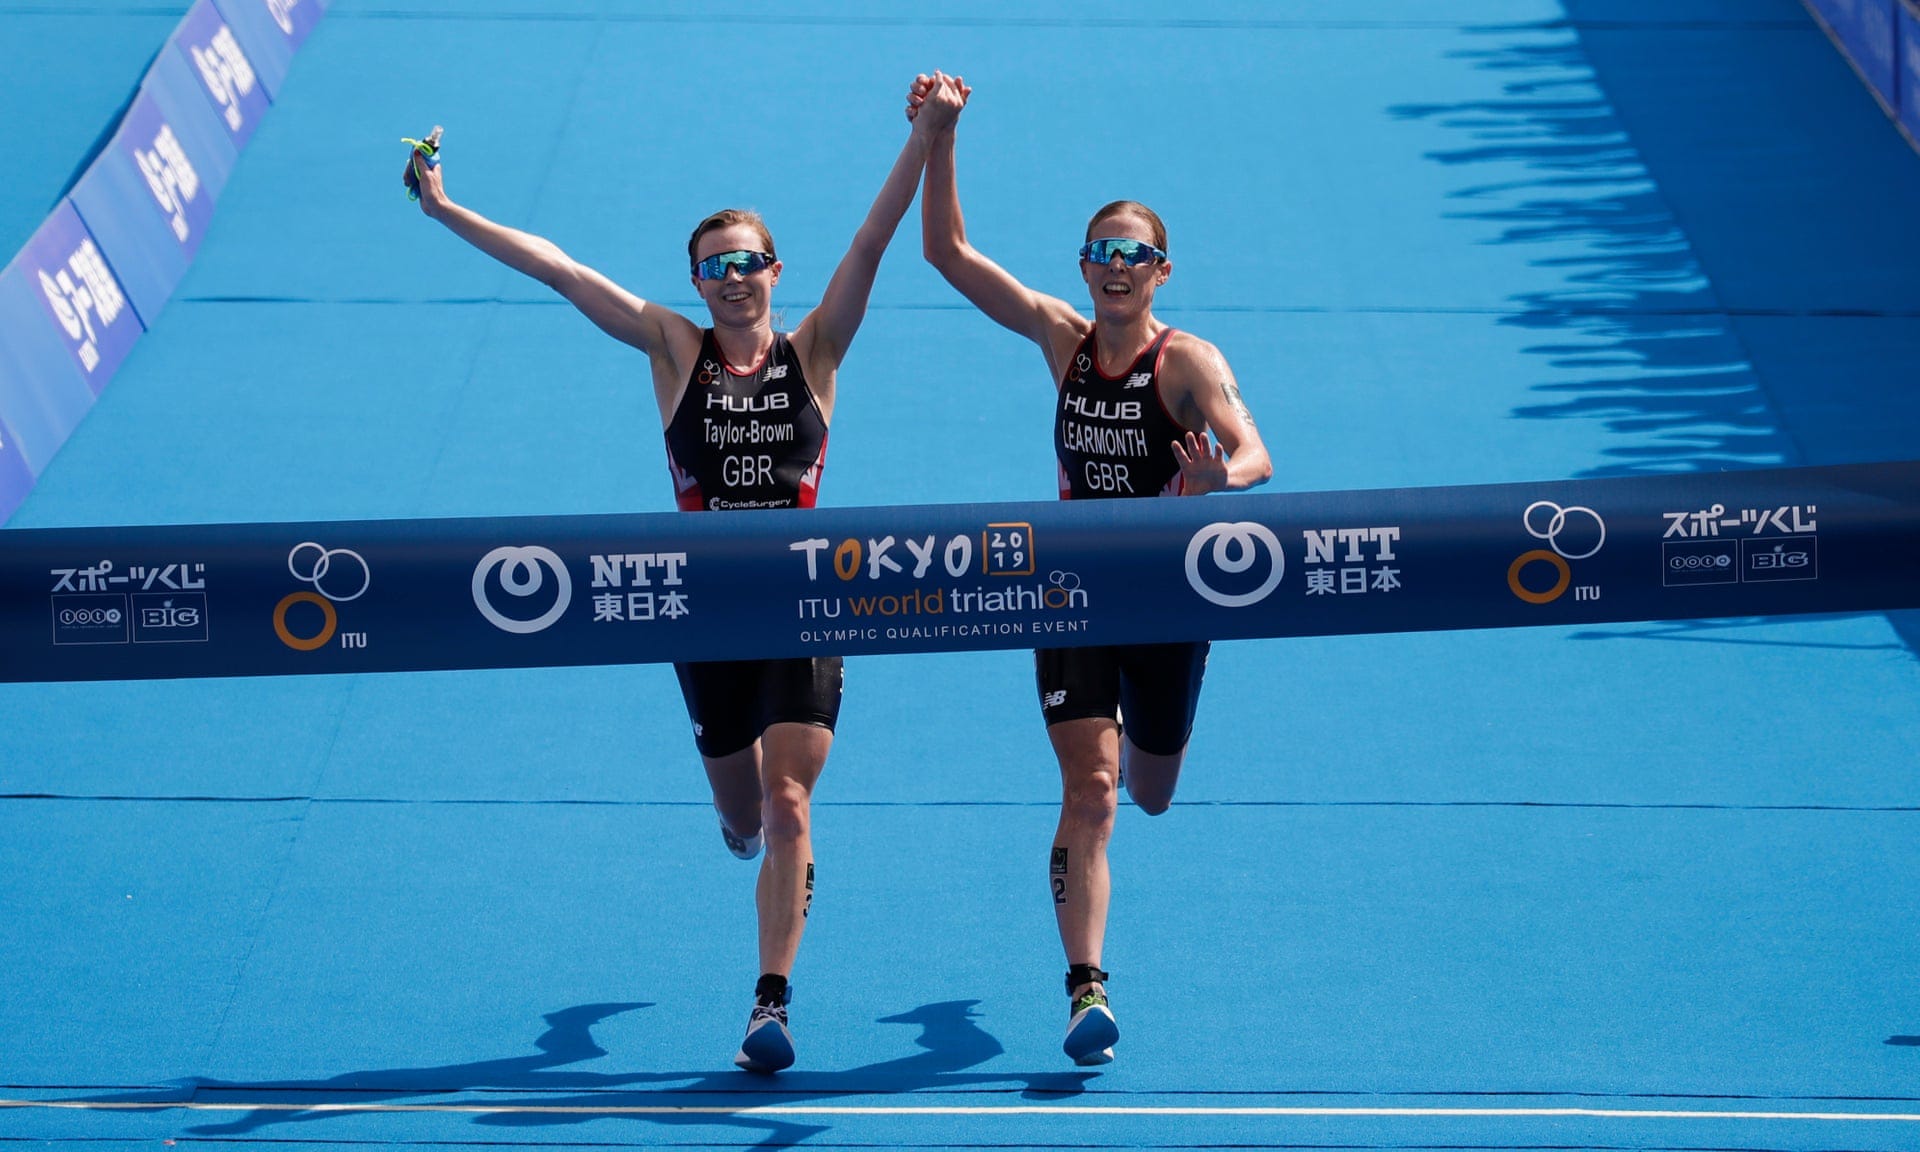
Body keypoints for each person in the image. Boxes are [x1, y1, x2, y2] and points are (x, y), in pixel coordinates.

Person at [406, 75, 967, 1073]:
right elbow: (563, 272)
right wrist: (447, 209)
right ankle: (731, 822)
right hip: (702, 612)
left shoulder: (819, 348)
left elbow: (874, 242)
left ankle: (769, 1004)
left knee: (792, 802)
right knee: (746, 814)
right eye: (716, 268)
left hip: (802, 601)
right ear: (698, 283)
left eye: (749, 262)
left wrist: (930, 135)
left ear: (774, 269)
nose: (735, 279)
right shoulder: (673, 348)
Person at [911, 73, 1273, 1066]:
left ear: (1162, 271)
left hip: (1168, 594)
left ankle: (1064, 974)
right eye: (1102, 252)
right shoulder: (1062, 338)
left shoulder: (1185, 363)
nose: (1117, 268)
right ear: (1084, 267)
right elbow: (946, 253)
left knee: (1152, 790)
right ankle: (1085, 987)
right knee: (1095, 791)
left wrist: (1215, 478)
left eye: (1135, 254)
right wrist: (942, 138)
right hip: (1070, 585)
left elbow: (1255, 451)